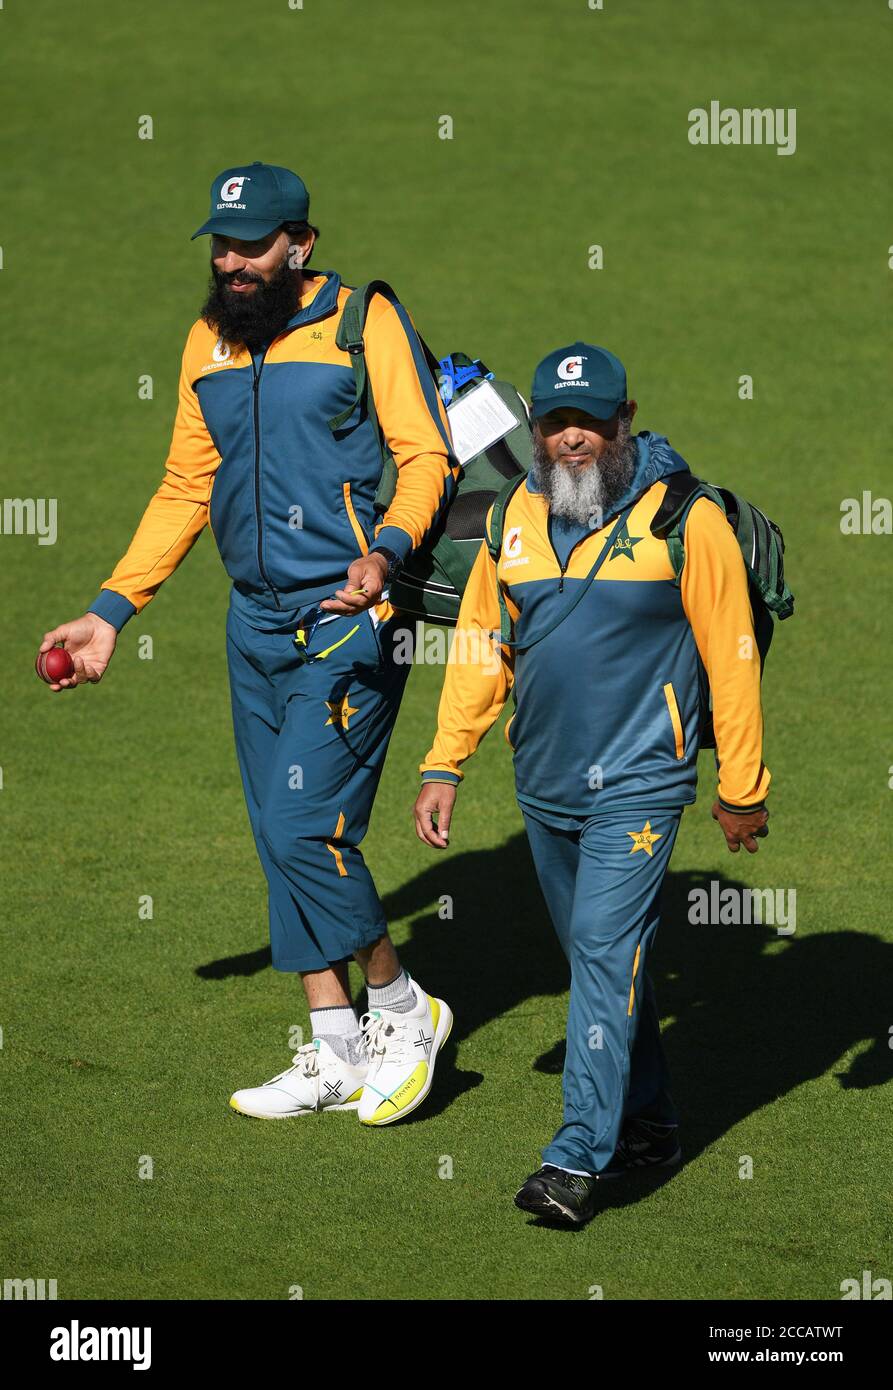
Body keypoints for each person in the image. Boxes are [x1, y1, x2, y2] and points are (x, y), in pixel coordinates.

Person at [39, 162, 457, 1126]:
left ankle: (402, 1007)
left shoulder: (364, 322)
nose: (231, 262)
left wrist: (387, 551)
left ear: (298, 246)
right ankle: (333, 1047)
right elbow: (187, 486)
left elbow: (423, 453)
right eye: (221, 245)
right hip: (254, 623)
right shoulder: (206, 344)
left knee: (305, 827)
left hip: (350, 618)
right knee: (277, 833)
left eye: (251, 245)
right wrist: (112, 611)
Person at [414, 342, 770, 1223]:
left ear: (624, 421)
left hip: (642, 785)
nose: (572, 439)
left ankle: (577, 1159)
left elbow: (730, 655)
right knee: (599, 963)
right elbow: (478, 647)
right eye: (554, 423)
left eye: (590, 422)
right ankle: (648, 1118)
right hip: (542, 784)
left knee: (604, 957)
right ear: (534, 429)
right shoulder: (510, 520)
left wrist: (741, 784)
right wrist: (443, 760)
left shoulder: (686, 519)